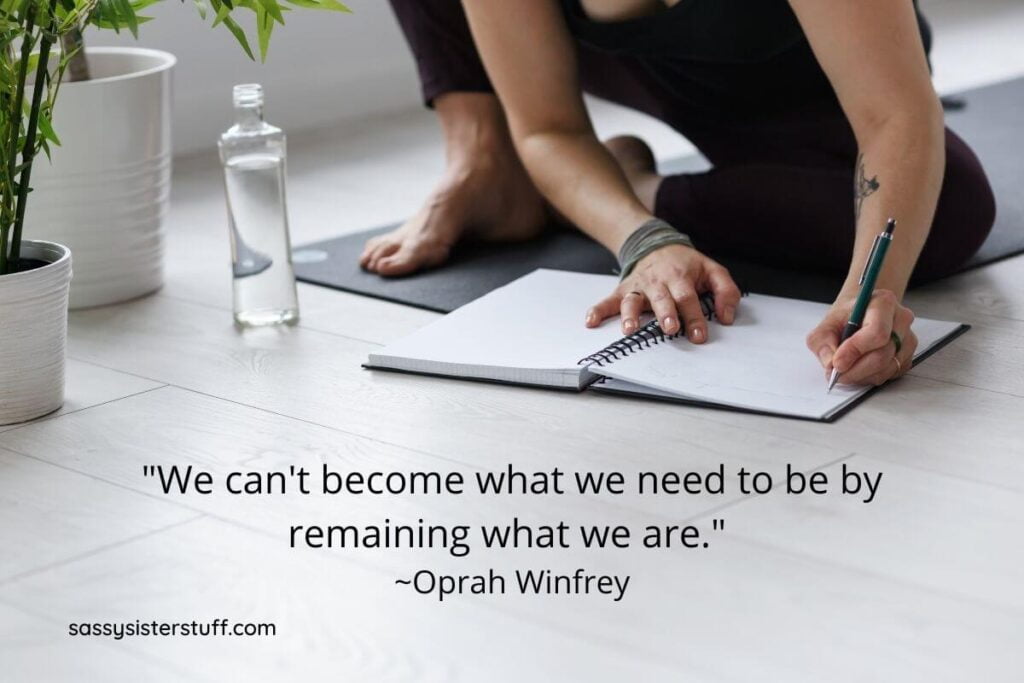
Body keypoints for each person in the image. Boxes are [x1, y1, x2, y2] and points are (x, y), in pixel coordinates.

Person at [362, 0, 996, 387]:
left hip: (807, 96)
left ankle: (632, 182)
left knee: (950, 210)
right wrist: (643, 242)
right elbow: (550, 127)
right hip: (649, 71)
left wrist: (869, 292)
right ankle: (486, 162)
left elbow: (893, 115)